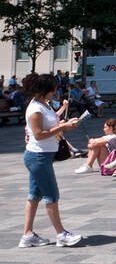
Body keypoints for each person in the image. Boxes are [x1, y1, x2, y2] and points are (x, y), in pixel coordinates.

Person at [19, 74, 83, 248]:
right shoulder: (35, 109)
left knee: (34, 195)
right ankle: (61, 234)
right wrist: (62, 127)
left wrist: (64, 123)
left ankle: (27, 235)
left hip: (41, 156)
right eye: (53, 89)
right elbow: (39, 135)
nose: (56, 92)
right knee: (51, 195)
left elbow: (49, 126)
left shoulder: (43, 105)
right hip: (38, 156)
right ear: (44, 90)